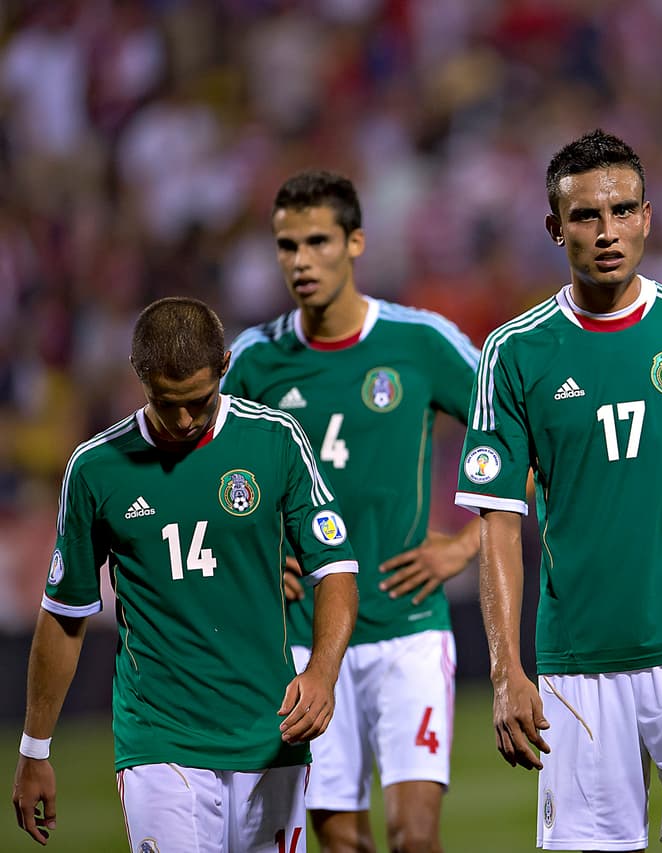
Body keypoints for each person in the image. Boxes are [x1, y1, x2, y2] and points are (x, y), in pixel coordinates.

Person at [454, 129, 662, 853]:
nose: (607, 231)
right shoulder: (514, 352)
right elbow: (496, 525)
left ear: (648, 215)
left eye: (622, 210)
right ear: (554, 228)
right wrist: (505, 667)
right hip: (580, 664)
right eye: (585, 216)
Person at [12, 296, 358, 850]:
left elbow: (335, 568)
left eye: (196, 402)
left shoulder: (275, 440)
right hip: (158, 739)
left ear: (224, 366)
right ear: (139, 374)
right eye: (163, 402)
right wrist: (34, 749)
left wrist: (322, 670)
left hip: (270, 734)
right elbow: (64, 614)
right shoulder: (96, 469)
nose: (180, 421)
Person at [222, 170, 481, 853]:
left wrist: (465, 543)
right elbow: (208, 483)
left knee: (414, 836)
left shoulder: (420, 342)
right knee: (338, 843)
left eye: (316, 242)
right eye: (286, 246)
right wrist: (256, 559)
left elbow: (528, 437)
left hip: (406, 626)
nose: (300, 261)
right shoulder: (254, 361)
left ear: (355, 242)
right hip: (302, 641)